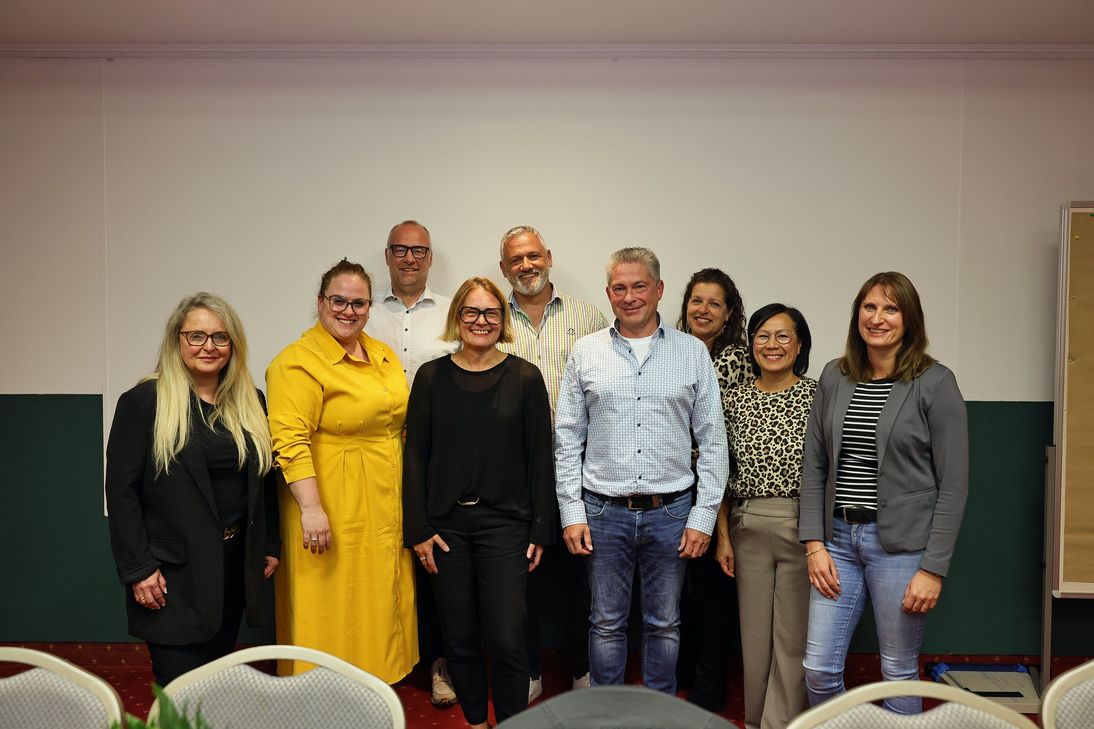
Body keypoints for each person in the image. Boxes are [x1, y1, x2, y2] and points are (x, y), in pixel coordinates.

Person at [555, 247, 730, 695]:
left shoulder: (692, 353)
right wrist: (571, 513)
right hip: (601, 512)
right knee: (605, 623)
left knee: (665, 624)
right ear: (608, 292)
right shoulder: (586, 351)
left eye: (639, 286)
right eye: (619, 288)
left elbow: (713, 441)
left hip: (672, 514)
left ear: (659, 290)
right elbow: (567, 438)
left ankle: (659, 713)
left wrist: (703, 517)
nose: (629, 297)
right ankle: (608, 713)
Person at [799, 271, 968, 715]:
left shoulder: (935, 382)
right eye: (869, 307)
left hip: (901, 548)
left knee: (897, 669)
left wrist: (933, 569)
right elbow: (815, 465)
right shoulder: (835, 375)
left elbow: (953, 485)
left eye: (891, 309)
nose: (877, 318)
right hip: (837, 542)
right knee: (818, 669)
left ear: (909, 319)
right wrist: (814, 544)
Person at [403, 276, 557, 728]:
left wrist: (540, 528)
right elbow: (415, 459)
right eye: (471, 311)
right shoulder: (431, 378)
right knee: (460, 637)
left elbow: (540, 458)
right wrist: (418, 529)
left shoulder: (525, 377)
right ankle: (474, 721)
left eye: (491, 312)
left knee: (507, 638)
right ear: (457, 317)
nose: (481, 321)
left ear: (502, 320)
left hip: (506, 526)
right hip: (444, 528)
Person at [106, 292, 280, 686]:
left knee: (213, 683)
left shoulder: (250, 400)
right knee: (180, 689)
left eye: (220, 337)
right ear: (177, 340)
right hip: (170, 575)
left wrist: (269, 543)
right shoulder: (144, 402)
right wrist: (139, 569)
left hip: (233, 567)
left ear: (233, 344)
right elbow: (121, 493)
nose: (208, 347)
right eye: (196, 336)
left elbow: (263, 479)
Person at [266, 259, 417, 682]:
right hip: (330, 500)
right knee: (331, 601)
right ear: (320, 303)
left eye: (358, 303)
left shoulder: (382, 354)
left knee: (378, 598)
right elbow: (289, 442)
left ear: (369, 307)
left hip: (384, 500)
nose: (348, 311)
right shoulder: (296, 363)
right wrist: (312, 509)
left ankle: (376, 685)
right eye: (338, 301)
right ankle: (321, 694)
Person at [496, 225, 608, 702]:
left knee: (585, 577)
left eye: (533, 256)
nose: (526, 266)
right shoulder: (491, 318)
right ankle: (529, 672)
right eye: (516, 259)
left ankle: (584, 669)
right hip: (516, 471)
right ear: (504, 268)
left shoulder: (588, 317)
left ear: (548, 257)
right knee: (522, 577)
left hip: (581, 467)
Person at [364, 219, 459, 704]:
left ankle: (440, 664)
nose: (409, 258)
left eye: (418, 251)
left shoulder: (451, 311)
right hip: (371, 455)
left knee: (434, 561)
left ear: (430, 258)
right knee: (379, 559)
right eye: (399, 249)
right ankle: (375, 659)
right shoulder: (361, 311)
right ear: (387, 256)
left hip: (436, 456)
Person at [716, 303, 816, 729]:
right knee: (754, 638)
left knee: (792, 638)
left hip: (801, 526)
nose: (772, 345)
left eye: (783, 336)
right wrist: (723, 538)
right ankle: (755, 721)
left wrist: (819, 539)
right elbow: (719, 473)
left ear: (800, 345)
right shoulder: (733, 400)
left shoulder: (818, 397)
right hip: (746, 525)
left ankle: (785, 724)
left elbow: (828, 471)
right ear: (751, 344)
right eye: (762, 336)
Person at [674, 268, 750, 711]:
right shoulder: (671, 350)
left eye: (714, 303)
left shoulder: (734, 358)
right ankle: (683, 677)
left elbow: (723, 436)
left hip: (716, 490)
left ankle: (707, 692)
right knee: (679, 594)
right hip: (672, 487)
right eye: (696, 301)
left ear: (728, 313)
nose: (703, 310)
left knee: (710, 596)